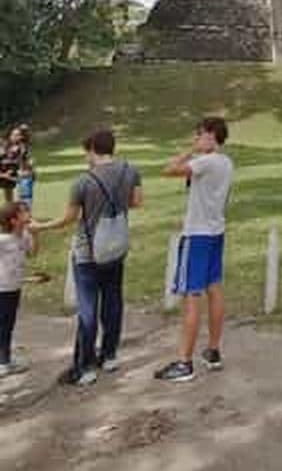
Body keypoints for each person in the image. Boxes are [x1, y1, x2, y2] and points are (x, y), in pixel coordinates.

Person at [34, 127, 142, 386]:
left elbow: (69, 219)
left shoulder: (83, 181)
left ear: (93, 149)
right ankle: (110, 354)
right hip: (116, 246)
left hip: (88, 252)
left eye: (87, 152)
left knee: (87, 308)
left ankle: (85, 366)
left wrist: (42, 226)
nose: (86, 157)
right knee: (113, 299)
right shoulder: (130, 171)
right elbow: (136, 202)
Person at [155, 116, 233, 383]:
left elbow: (168, 169)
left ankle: (184, 362)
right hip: (215, 232)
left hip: (197, 234)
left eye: (200, 134)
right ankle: (213, 350)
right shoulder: (225, 162)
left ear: (211, 135)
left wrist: (191, 150)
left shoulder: (206, 162)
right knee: (214, 288)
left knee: (191, 294)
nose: (196, 138)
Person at [0, 201, 37, 378]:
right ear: (13, 220)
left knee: (8, 324)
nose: (29, 214)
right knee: (4, 325)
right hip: (2, 289)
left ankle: (5, 359)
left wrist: (36, 234)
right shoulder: (3, 240)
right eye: (24, 212)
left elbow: (32, 253)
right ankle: (3, 362)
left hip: (15, 288)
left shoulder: (25, 236)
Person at [0, 125, 30, 204]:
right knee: (9, 198)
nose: (17, 137)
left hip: (14, 176)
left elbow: (22, 163)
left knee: (16, 198)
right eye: (14, 135)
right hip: (5, 175)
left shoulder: (22, 148)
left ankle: (14, 211)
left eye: (18, 135)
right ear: (10, 136)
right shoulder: (5, 146)